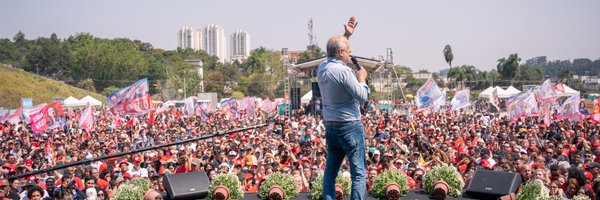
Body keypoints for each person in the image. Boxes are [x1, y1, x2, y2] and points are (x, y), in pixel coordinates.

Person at [317, 16, 369, 200]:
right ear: (340, 53)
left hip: (331, 126)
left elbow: (330, 51)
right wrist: (362, 78)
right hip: (349, 126)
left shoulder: (322, 68)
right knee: (358, 173)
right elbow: (362, 97)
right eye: (348, 50)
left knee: (330, 173)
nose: (350, 53)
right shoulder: (345, 72)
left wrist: (346, 34)